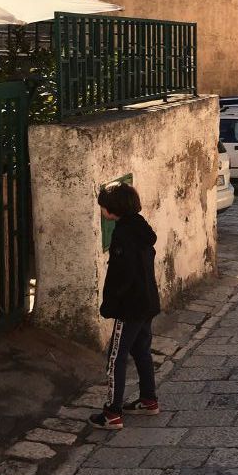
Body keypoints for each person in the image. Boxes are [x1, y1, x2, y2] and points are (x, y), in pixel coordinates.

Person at [89, 181, 161, 430]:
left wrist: (110, 305)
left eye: (103, 207)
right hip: (148, 301)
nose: (101, 212)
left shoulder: (122, 235)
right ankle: (148, 399)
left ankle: (112, 413)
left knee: (115, 357)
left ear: (112, 209)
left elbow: (121, 275)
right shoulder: (141, 228)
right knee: (141, 350)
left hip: (130, 307)